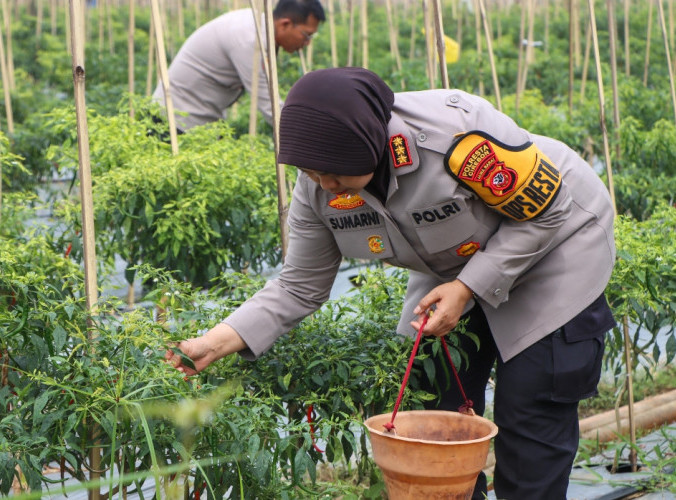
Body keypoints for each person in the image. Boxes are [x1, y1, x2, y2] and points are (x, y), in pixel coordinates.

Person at [166, 67, 617, 499]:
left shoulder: (454, 138)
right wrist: (215, 341)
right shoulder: (318, 185)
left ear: (368, 146)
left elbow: (549, 208)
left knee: (529, 411)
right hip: (455, 266)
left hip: (554, 245)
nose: (323, 183)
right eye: (311, 173)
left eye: (333, 173)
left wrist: (466, 288)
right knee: (431, 413)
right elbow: (299, 284)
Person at [152, 0, 325, 133]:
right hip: (174, 120)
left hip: (201, 118)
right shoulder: (250, 40)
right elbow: (270, 106)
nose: (307, 43)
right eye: (306, 35)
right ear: (285, 24)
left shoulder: (257, 25)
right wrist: (311, 136)